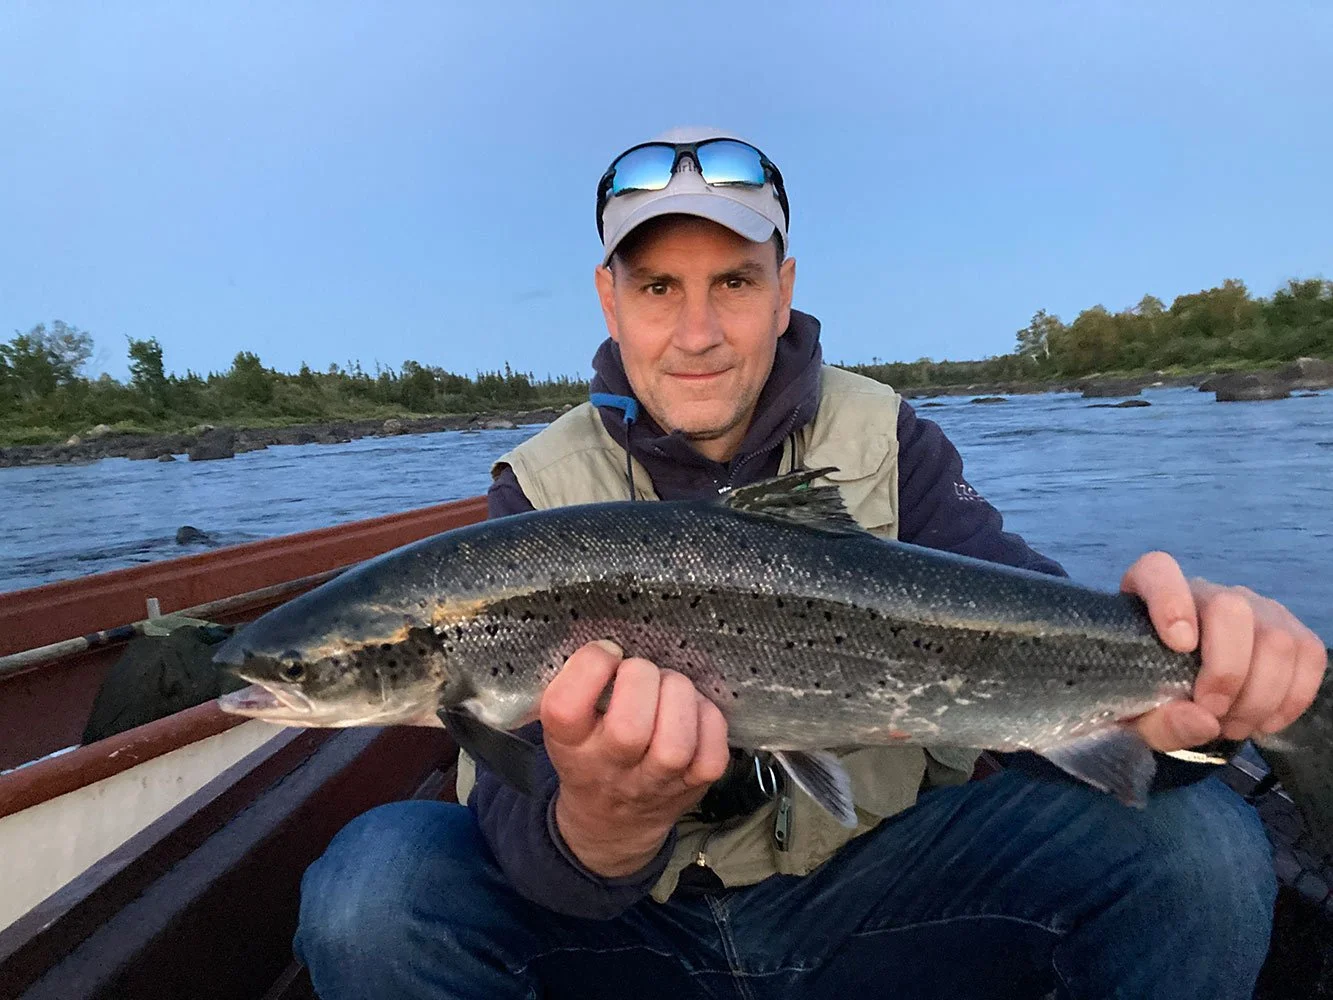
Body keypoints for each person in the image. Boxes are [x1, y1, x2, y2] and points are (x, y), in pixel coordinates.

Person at [293, 127, 1328, 999]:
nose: (698, 332)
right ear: (610, 301)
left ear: (782, 290)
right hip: (630, 932)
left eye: (734, 282)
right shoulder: (533, 494)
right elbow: (524, 842)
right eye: (658, 287)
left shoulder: (889, 440)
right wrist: (606, 823)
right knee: (372, 890)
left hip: (883, 901)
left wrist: (1191, 696)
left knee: (1200, 846)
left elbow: (1034, 644)